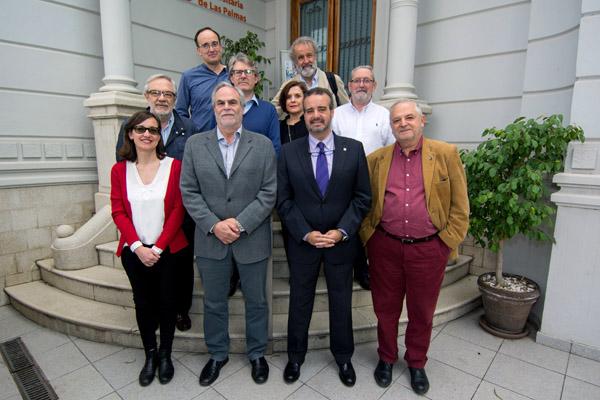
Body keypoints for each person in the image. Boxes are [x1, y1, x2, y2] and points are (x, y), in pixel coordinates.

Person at [359, 100, 469, 395]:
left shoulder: (445, 154)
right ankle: (386, 357)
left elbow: (460, 205)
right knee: (385, 308)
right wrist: (369, 236)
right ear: (391, 126)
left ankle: (417, 362)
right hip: (385, 247)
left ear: (422, 122)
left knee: (422, 311)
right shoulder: (377, 159)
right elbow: (365, 203)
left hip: (428, 249)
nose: (403, 123)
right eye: (397, 120)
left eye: (409, 118)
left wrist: (446, 243)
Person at [180, 82, 277, 386]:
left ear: (242, 107)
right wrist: (214, 224)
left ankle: (257, 353)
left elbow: (269, 191)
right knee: (213, 301)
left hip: (252, 237)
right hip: (211, 239)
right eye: (221, 103)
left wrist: (240, 223)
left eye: (232, 102)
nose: (226, 107)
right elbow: (189, 191)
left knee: (257, 300)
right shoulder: (195, 145)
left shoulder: (261, 145)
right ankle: (218, 353)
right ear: (213, 108)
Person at [277, 87, 371, 387]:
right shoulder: (288, 152)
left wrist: (341, 231)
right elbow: (284, 201)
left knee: (341, 301)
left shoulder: (354, 149)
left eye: (321, 109)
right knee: (299, 300)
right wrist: (305, 233)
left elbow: (362, 198)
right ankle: (295, 356)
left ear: (332, 111)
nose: (316, 115)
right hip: (302, 243)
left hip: (341, 244)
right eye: (309, 111)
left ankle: (344, 357)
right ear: (302, 115)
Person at [110, 111, 188, 386]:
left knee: (168, 303)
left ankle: (165, 355)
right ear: (130, 133)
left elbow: (179, 209)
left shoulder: (174, 166)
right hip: (134, 253)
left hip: (168, 251)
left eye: (153, 130)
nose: (147, 134)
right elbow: (118, 211)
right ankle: (150, 356)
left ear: (159, 136)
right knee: (143, 305)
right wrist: (137, 246)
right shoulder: (120, 170)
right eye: (141, 129)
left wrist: (157, 247)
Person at [116, 74, 198, 332]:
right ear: (146, 96)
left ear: (175, 99)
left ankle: (181, 310)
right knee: (148, 272)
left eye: (168, 94)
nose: (162, 98)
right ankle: (150, 313)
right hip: (144, 217)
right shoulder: (131, 126)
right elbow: (123, 165)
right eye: (156, 93)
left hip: (180, 216)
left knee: (182, 269)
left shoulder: (190, 127)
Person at [331, 65, 396, 291]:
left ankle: (367, 269)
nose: (361, 85)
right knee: (349, 225)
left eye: (366, 80)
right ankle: (353, 268)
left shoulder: (384, 115)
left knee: (371, 227)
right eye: (356, 80)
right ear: (349, 86)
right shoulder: (337, 115)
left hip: (375, 181)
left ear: (374, 86)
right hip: (342, 183)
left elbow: (391, 149)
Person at [272, 36, 349, 117]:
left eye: (309, 55)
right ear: (295, 62)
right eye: (301, 57)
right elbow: (273, 110)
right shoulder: (288, 85)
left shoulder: (333, 80)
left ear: (315, 57)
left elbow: (347, 110)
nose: (306, 61)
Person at [176, 27, 229, 132]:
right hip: (200, 140)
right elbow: (181, 113)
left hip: (232, 139)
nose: (211, 49)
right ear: (199, 51)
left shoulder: (233, 75)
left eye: (215, 44)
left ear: (221, 47)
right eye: (205, 45)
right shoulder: (189, 77)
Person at [278, 80, 309, 145]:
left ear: (305, 99)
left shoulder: (311, 123)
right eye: (288, 97)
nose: (293, 100)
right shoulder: (280, 127)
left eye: (297, 96)